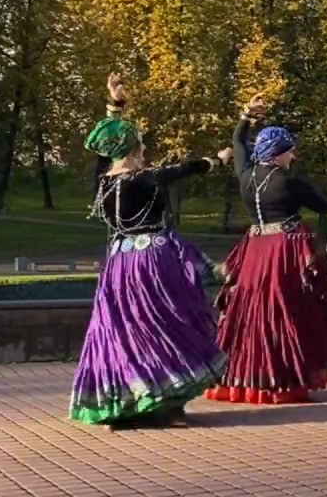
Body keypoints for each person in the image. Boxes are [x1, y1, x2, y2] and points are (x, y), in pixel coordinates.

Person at [69, 74, 229, 429]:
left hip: (119, 266)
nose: (144, 150)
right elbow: (181, 170)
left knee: (123, 331)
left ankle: (125, 406)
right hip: (151, 264)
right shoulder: (141, 178)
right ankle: (170, 406)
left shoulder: (104, 179)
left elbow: (106, 145)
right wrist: (216, 160)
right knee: (166, 325)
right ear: (132, 149)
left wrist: (116, 103)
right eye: (139, 145)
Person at [205, 95, 327, 404]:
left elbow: (238, 141)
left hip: (254, 248)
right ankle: (281, 381)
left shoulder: (245, 174)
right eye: (290, 149)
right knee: (285, 310)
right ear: (279, 152)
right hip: (284, 250)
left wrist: (246, 115)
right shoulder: (289, 181)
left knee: (249, 311)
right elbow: (324, 205)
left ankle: (244, 382)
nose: (293, 154)